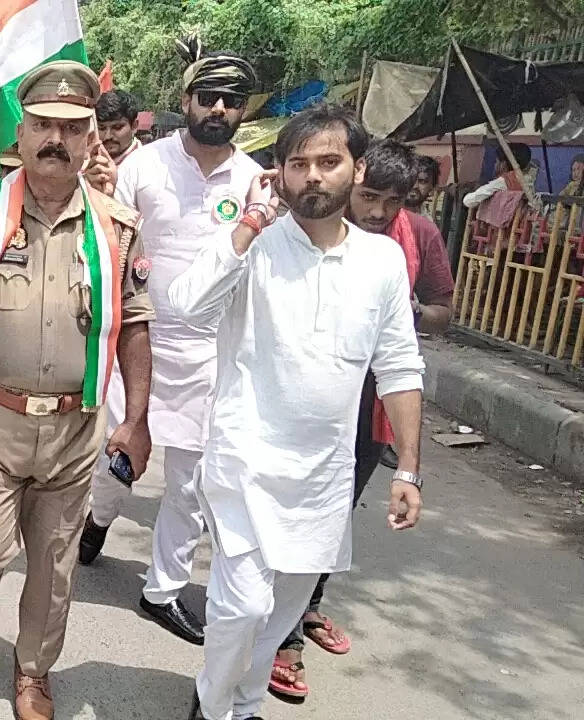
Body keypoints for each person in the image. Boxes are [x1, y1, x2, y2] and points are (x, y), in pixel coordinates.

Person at [0, 61, 155, 720]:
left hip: (75, 430)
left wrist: (136, 418)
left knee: (54, 566)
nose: (57, 138)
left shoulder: (116, 224)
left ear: (90, 140)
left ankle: (33, 669)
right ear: (20, 134)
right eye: (44, 125)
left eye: (72, 128)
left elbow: (133, 325)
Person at [170, 104, 426, 720]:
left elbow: (399, 365)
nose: (313, 175)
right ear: (280, 173)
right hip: (244, 464)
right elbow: (186, 309)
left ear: (355, 169)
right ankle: (211, 703)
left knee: (284, 610)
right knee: (242, 607)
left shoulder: (382, 261)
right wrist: (250, 223)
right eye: (298, 163)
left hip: (323, 478)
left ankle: (245, 702)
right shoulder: (253, 244)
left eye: (328, 162)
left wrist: (408, 469)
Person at [79, 37, 263, 649]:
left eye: (230, 100)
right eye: (207, 96)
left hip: (213, 352)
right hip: (139, 339)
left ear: (244, 110)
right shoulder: (145, 165)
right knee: (119, 461)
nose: (218, 108)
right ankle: (97, 523)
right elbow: (109, 243)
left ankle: (162, 590)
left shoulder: (254, 180)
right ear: (185, 100)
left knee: (190, 481)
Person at [269, 139, 453, 700]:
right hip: (298, 400)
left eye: (391, 202)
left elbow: (443, 312)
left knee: (333, 512)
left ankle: (297, 624)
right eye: (369, 196)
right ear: (355, 179)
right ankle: (268, 628)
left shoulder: (415, 239)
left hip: (370, 407)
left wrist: (401, 310)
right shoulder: (303, 229)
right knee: (282, 511)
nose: (376, 213)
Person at [462, 142, 534, 208]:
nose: (495, 165)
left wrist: (468, 195)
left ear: (504, 164)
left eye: (496, 161)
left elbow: (468, 201)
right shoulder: (528, 181)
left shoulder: (503, 182)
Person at [95, 89, 143, 167]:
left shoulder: (147, 165)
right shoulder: (85, 163)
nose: (108, 136)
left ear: (134, 126)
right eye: (102, 128)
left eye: (117, 127)